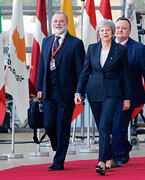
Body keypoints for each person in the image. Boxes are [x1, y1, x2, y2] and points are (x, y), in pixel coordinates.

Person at [74, 19, 131, 175]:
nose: (104, 33)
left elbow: (126, 75)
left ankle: (102, 161)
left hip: (113, 93)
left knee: (105, 125)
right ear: (98, 33)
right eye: (102, 30)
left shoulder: (120, 50)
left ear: (112, 32)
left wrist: (127, 98)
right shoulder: (92, 49)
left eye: (107, 30)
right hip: (94, 93)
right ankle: (110, 157)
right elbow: (85, 72)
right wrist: (78, 92)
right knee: (102, 127)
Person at [36, 11, 85, 171]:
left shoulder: (76, 43)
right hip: (49, 92)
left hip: (67, 93)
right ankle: (58, 145)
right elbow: (42, 66)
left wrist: (79, 92)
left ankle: (59, 161)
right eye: (55, 21)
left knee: (62, 125)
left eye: (61, 21)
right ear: (52, 23)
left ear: (67, 23)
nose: (58, 24)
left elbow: (81, 71)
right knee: (49, 124)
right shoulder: (46, 41)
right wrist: (39, 88)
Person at [112, 17, 145, 167]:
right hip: (109, 94)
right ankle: (125, 147)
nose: (120, 30)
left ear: (129, 31)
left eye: (123, 28)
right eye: (118, 27)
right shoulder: (106, 45)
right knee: (111, 126)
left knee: (119, 125)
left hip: (129, 95)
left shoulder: (138, 48)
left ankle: (118, 157)